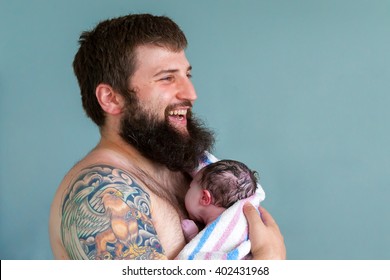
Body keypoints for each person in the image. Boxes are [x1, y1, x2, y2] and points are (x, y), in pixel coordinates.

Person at [49, 13, 286, 260]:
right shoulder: (105, 192)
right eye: (167, 78)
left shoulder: (191, 170)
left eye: (187, 75)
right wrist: (270, 262)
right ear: (111, 98)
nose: (190, 93)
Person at [177, 159, 260, 260]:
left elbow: (205, 252)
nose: (188, 188)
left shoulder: (228, 227)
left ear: (204, 198)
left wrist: (192, 235)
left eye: (190, 187)